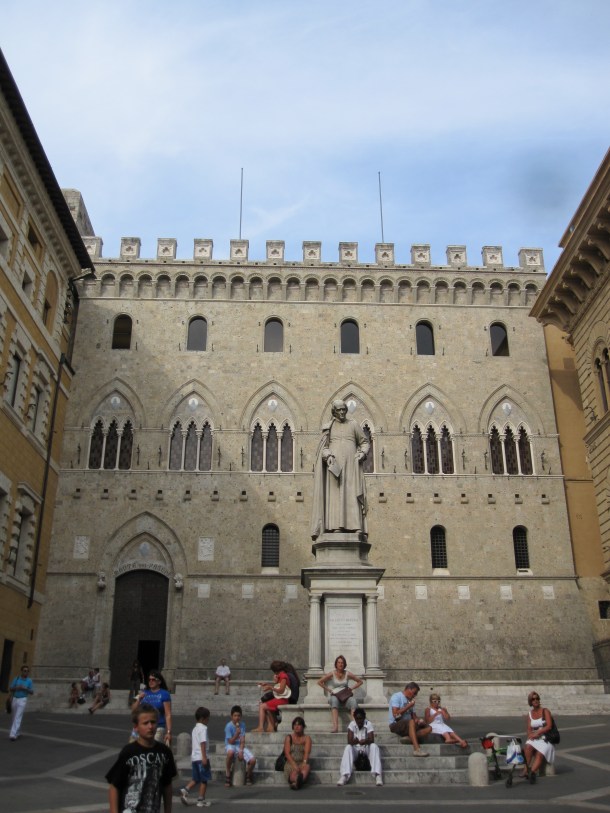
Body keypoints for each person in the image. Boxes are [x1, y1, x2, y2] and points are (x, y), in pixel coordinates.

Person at [311, 399, 369, 540]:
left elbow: (364, 442)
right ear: (334, 411)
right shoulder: (328, 427)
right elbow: (323, 448)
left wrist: (362, 453)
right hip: (334, 468)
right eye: (339, 410)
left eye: (344, 409)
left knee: (352, 494)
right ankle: (335, 527)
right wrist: (328, 456)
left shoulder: (353, 425)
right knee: (335, 497)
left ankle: (356, 527)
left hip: (351, 466)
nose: (342, 412)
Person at [106, 703, 177, 813]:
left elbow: (167, 785)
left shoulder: (164, 752)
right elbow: (114, 786)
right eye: (145, 723)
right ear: (136, 726)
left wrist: (168, 811)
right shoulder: (129, 752)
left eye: (153, 722)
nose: (150, 727)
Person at [337, 708, 383, 786]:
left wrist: (364, 741)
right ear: (354, 718)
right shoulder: (351, 724)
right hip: (356, 748)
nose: (359, 721)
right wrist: (356, 741)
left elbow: (372, 739)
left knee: (374, 746)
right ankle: (344, 775)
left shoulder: (368, 724)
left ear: (364, 717)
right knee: (348, 747)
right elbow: (349, 741)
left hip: (366, 748)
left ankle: (377, 775)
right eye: (357, 719)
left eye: (361, 718)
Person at [318, 655, 363, 732]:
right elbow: (319, 682)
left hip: (345, 695)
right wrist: (329, 690)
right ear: (336, 664)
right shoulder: (332, 673)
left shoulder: (347, 673)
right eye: (339, 662)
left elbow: (360, 681)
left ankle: (354, 727)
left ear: (344, 664)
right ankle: (335, 727)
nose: (340, 664)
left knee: (353, 701)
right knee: (334, 701)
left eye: (342, 663)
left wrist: (351, 688)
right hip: (335, 695)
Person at [179, 706, 211, 807]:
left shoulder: (194, 729)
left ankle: (185, 790)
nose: (208, 720)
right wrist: (204, 757)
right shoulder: (203, 728)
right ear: (203, 719)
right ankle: (200, 800)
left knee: (196, 778)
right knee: (204, 780)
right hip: (202, 757)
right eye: (208, 718)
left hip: (195, 758)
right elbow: (203, 743)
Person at [388, 681, 431, 756]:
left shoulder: (411, 701)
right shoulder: (396, 696)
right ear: (409, 689)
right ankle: (417, 749)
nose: (415, 695)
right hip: (396, 724)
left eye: (416, 694)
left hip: (409, 725)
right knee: (411, 722)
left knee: (429, 728)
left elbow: (414, 716)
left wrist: (419, 721)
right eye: (414, 693)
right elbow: (396, 714)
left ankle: (408, 738)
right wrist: (408, 706)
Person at [132, 670, 173, 746]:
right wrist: (139, 699)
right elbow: (134, 710)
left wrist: (168, 732)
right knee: (135, 748)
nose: (151, 681)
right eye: (149, 680)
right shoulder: (144, 692)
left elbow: (168, 714)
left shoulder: (164, 694)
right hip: (141, 726)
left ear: (159, 682)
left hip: (158, 727)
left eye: (153, 679)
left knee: (152, 747)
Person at [522, 690, 556, 780]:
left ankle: (532, 772)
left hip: (546, 739)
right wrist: (530, 736)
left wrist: (537, 733)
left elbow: (549, 726)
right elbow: (529, 729)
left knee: (540, 753)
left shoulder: (545, 711)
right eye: (533, 699)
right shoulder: (530, 714)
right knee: (528, 746)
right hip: (535, 738)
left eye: (537, 698)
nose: (536, 700)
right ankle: (525, 770)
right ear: (530, 702)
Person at [253, 660, 291, 732]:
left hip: (282, 700)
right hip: (280, 698)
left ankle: (260, 727)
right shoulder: (282, 675)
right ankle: (271, 726)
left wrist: (270, 687)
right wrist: (266, 685)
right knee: (265, 705)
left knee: (262, 706)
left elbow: (281, 690)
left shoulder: (283, 676)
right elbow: (278, 687)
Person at [224, 704, 256, 787]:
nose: (237, 718)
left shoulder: (242, 725)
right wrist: (236, 734)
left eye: (238, 716)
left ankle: (248, 775)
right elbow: (230, 741)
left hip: (239, 745)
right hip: (230, 745)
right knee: (230, 753)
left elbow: (242, 740)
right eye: (235, 716)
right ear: (231, 716)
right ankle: (228, 772)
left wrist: (241, 751)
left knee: (252, 760)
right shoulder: (228, 726)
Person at [283, 716, 312, 790]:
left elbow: (306, 752)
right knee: (295, 771)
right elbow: (287, 754)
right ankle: (297, 780)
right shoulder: (289, 738)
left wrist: (304, 763)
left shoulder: (307, 738)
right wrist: (294, 765)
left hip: (302, 762)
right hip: (290, 763)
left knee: (307, 767)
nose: (296, 727)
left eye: (299, 725)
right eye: (295, 725)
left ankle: (296, 782)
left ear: (303, 727)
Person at [8, 664, 34, 740]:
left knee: (18, 716)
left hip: (23, 699)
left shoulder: (29, 681)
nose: (26, 672)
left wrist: (25, 688)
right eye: (24, 671)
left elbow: (32, 691)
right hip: (15, 698)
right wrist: (17, 687)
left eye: (27, 671)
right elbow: (11, 688)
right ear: (21, 671)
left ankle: (13, 734)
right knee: (14, 716)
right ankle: (18, 732)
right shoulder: (16, 679)